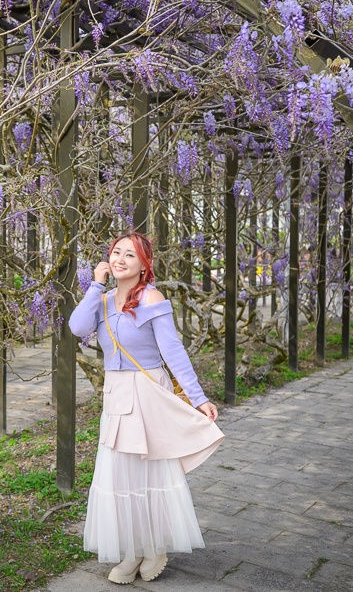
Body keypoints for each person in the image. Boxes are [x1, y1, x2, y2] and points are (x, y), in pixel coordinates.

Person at [69, 231, 224, 585]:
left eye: (131, 256)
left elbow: (173, 350)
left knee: (150, 472)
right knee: (119, 474)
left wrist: (198, 397)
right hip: (117, 396)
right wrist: (95, 285)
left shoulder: (152, 297)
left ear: (144, 266)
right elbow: (77, 327)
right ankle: (131, 550)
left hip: (148, 393)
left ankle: (154, 545)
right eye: (117, 252)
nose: (121, 259)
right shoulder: (104, 300)